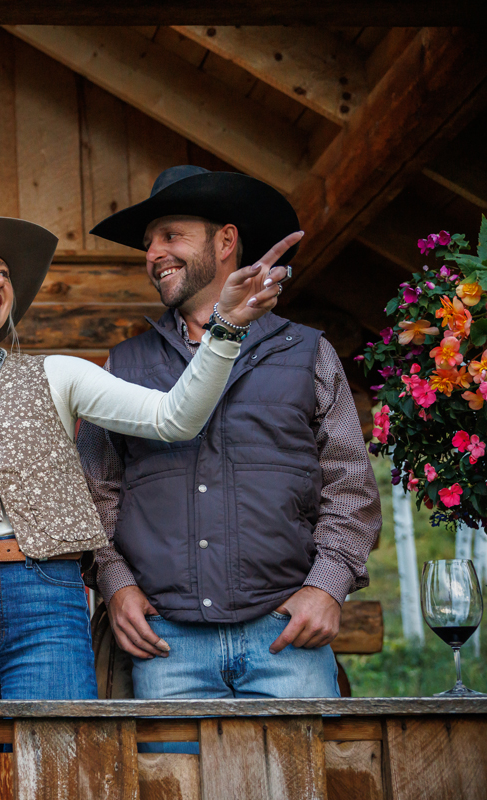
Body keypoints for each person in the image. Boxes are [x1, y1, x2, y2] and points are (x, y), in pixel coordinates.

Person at [0, 213, 296, 700]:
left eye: (4, 273)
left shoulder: (60, 375)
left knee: (56, 769)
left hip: (44, 603)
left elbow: (173, 418)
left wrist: (224, 330)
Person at [80, 165, 381, 703]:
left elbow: (350, 484)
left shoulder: (306, 352)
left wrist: (327, 586)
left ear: (226, 241)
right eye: (149, 244)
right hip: (165, 645)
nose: (154, 254)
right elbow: (92, 493)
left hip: (285, 638)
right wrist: (115, 584)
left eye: (170, 236)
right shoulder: (121, 365)